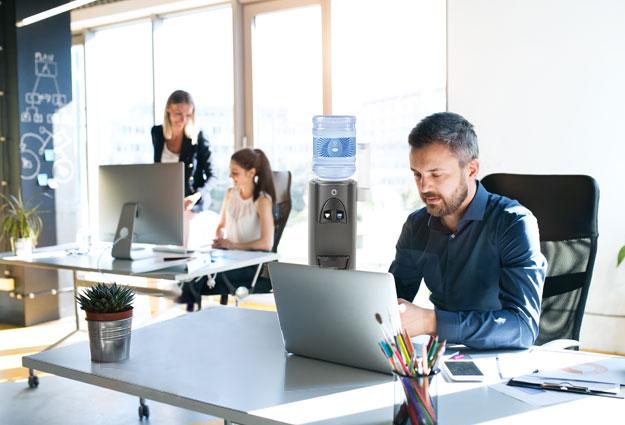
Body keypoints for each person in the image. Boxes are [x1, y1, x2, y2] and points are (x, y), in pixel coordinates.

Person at [389, 112, 547, 350]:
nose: (424, 186)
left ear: (471, 170)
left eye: (436, 174)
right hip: (441, 358)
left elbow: (523, 328)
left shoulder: (514, 223)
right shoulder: (416, 226)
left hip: (503, 361)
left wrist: (431, 321)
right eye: (417, 174)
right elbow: (390, 302)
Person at [179, 148, 276, 310]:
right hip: (229, 258)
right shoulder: (230, 194)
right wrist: (219, 238)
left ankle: (193, 323)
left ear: (251, 173)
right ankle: (193, 321)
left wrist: (232, 245)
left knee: (194, 281)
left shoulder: (262, 201)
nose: (231, 176)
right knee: (189, 274)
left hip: (251, 264)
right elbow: (221, 225)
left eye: (235, 173)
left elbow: (266, 243)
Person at [152, 90, 214, 211]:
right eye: (178, 114)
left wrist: (197, 196)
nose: (183, 120)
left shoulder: (197, 137)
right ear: (168, 109)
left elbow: (213, 176)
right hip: (165, 200)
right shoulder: (157, 133)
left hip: (192, 204)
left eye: (188, 115)